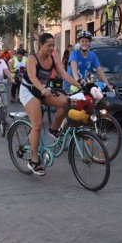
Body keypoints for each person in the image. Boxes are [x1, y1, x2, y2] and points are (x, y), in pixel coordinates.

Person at [19, 33, 81, 175]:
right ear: (40, 45)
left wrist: (79, 84)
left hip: (44, 90)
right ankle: (34, 161)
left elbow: (64, 75)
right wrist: (42, 89)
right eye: (49, 45)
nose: (52, 48)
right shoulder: (32, 58)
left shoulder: (53, 56)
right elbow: (33, 77)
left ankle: (54, 129)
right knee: (37, 125)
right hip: (29, 91)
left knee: (67, 102)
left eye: (53, 45)